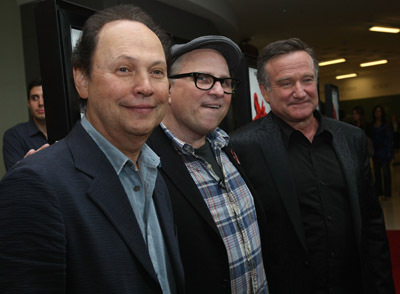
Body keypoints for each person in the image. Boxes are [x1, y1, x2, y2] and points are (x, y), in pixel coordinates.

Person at [0, 5, 184, 293]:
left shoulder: (155, 172)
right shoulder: (35, 185)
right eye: (124, 69)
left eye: (157, 72)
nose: (146, 86)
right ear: (82, 80)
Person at [230, 38, 394, 293]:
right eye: (286, 83)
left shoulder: (351, 139)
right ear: (264, 91)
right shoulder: (243, 147)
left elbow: (372, 222)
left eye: (307, 80)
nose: (300, 91)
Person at [147, 35, 269, 293]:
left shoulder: (228, 148)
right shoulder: (143, 164)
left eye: (225, 82)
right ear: (167, 89)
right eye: (202, 78)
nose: (218, 91)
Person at [2, 77, 49, 170]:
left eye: (45, 97)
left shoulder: (67, 131)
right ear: (28, 103)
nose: (41, 103)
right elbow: (15, 177)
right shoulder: (14, 136)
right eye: (35, 98)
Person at [370, 105, 395, 199]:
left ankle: (387, 193)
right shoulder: (372, 124)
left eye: (379, 111)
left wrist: (389, 152)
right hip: (376, 151)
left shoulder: (386, 124)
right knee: (376, 173)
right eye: (376, 111)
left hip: (384, 151)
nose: (377, 113)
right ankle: (379, 191)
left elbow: (390, 139)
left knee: (386, 173)